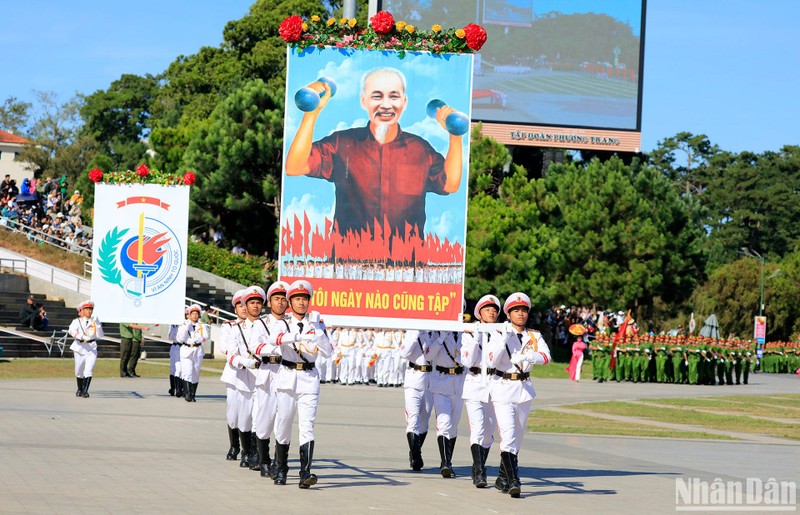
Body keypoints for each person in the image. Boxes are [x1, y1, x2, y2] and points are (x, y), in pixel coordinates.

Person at [285, 67, 465, 237]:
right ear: (364, 101)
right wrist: (312, 112)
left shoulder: (420, 149)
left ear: (404, 102)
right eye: (377, 96)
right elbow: (295, 166)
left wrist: (454, 134)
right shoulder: (342, 143)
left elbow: (450, 184)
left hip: (405, 265)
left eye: (394, 97)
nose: (386, 105)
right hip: (347, 263)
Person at [486, 293, 551, 498]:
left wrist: (529, 355)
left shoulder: (534, 335)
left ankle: (502, 477)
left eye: (523, 310)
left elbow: (546, 356)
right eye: (516, 310)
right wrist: (503, 339)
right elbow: (490, 361)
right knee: (508, 435)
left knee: (518, 438)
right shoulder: (497, 332)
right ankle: (514, 481)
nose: (520, 314)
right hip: (503, 387)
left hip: (523, 388)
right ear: (508, 313)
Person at [270, 280, 332, 488]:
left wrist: (319, 334)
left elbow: (329, 352)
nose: (301, 303)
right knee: (284, 424)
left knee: (307, 426)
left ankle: (305, 472)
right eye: (297, 299)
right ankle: (281, 468)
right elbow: (274, 339)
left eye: (305, 299)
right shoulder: (282, 322)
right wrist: (300, 335)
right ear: (290, 301)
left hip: (309, 379)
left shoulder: (317, 325)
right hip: (287, 376)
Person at [223, 287, 266, 469]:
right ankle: (239, 447)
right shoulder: (232, 327)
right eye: (242, 305)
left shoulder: (266, 325)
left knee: (258, 416)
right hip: (239, 375)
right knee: (238, 415)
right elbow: (228, 351)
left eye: (258, 303)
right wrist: (244, 362)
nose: (249, 307)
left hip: (262, 376)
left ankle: (253, 454)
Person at [461, 294, 501, 488]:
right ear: (479, 313)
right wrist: (477, 337)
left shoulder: (502, 332)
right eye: (487, 309)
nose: (491, 312)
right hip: (475, 382)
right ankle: (479, 472)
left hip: (495, 383)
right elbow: (467, 361)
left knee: (489, 432)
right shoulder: (469, 333)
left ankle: (480, 464)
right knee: (477, 429)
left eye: (494, 310)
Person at [251, 281, 290, 478]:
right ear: (269, 301)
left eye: (284, 299)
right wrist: (275, 348)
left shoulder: (292, 323)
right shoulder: (261, 323)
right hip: (267, 371)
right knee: (265, 419)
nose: (281, 302)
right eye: (277, 299)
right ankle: (263, 459)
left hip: (286, 372)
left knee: (283, 418)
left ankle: (278, 461)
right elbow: (254, 346)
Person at [427, 330, 465, 478]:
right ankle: (445, 463)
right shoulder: (437, 333)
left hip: (459, 382)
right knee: (444, 423)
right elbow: (428, 355)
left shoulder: (466, 333)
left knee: (454, 426)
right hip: (441, 382)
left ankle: (449, 460)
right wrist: (441, 338)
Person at [399, 329, 434, 471]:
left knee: (425, 421)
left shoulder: (435, 333)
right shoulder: (412, 332)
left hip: (431, 380)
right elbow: (404, 353)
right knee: (413, 419)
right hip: (414, 378)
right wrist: (414, 335)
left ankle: (414, 450)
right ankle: (416, 456)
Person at [219, 290, 247, 460]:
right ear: (235, 308)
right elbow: (225, 348)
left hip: (254, 374)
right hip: (234, 372)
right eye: (240, 305)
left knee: (251, 413)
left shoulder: (261, 325)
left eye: (246, 304)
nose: (244, 308)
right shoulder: (228, 326)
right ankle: (234, 445)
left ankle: (248, 449)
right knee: (233, 411)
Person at [68, 300, 104, 398]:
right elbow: (71, 331)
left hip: (91, 348)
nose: (89, 311)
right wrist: (81, 336)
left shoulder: (94, 321)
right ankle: (79, 388)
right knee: (79, 370)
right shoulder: (77, 321)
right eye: (86, 309)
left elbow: (100, 335)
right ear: (82, 310)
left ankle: (85, 390)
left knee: (89, 369)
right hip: (80, 347)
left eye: (90, 309)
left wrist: (99, 325)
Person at [177, 305, 210, 402]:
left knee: (195, 373)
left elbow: (206, 336)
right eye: (193, 314)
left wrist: (198, 339)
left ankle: (193, 394)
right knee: (188, 372)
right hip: (187, 350)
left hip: (197, 350)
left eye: (196, 313)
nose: (195, 316)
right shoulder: (184, 325)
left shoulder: (201, 325)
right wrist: (186, 328)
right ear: (189, 315)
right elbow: (180, 339)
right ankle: (187, 394)